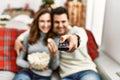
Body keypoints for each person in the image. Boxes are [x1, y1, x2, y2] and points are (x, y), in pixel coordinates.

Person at [15, 7, 101, 80]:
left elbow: (79, 38)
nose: (60, 25)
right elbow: (35, 31)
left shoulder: (77, 31)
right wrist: (19, 39)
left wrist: (74, 39)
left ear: (68, 21)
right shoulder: (55, 37)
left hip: (86, 71)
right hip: (66, 75)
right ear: (53, 23)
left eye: (63, 21)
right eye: (57, 22)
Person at [13, 8, 59, 80]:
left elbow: (54, 67)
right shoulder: (29, 36)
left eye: (48, 21)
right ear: (37, 22)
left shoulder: (55, 39)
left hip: (44, 75)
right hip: (27, 72)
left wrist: (54, 55)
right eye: (42, 21)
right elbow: (19, 61)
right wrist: (33, 66)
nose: (45, 25)